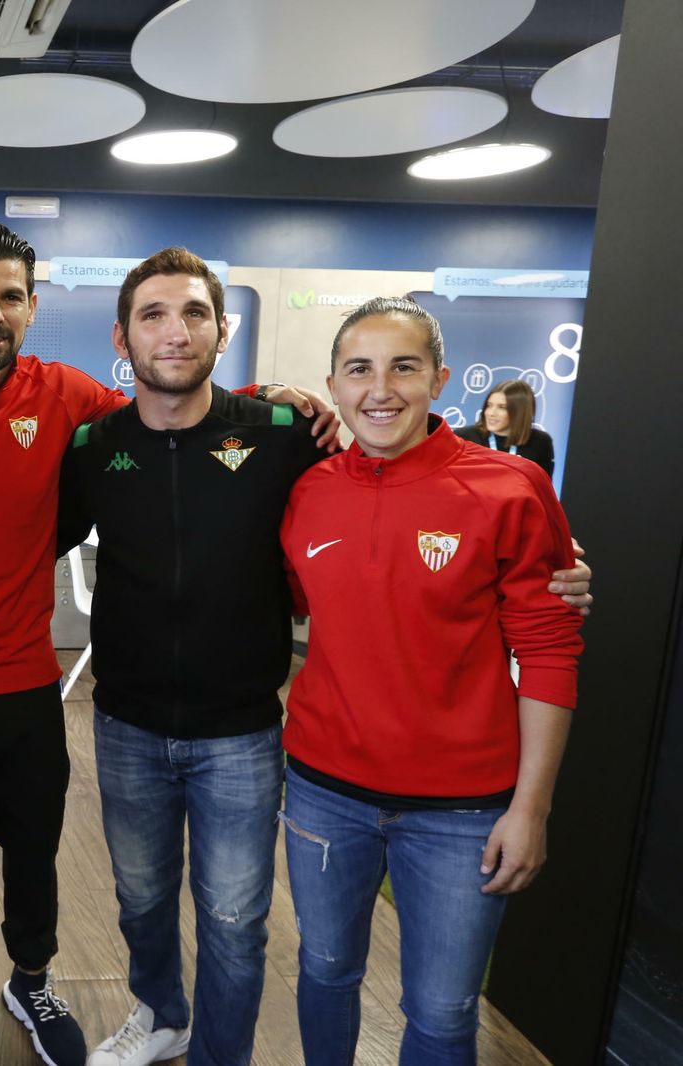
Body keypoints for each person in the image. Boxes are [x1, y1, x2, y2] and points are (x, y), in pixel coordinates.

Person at [59, 257, 594, 1066]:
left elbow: (524, 619)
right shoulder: (98, 447)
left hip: (253, 738)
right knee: (152, 907)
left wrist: (557, 566)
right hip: (155, 731)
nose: (176, 331)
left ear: (222, 328)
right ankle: (162, 1013)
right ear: (122, 336)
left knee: (246, 926)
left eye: (196, 313)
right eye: (155, 315)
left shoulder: (284, 440)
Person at [0, 225, 346, 1066]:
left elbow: (177, 409)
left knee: (41, 853)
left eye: (9, 297)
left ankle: (33, 979)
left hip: (36, 680)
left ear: (31, 308)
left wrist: (280, 398)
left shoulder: (70, 400)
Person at [279, 297, 583, 1064]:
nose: (381, 388)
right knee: (322, 971)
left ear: (439, 378)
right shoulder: (307, 491)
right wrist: (266, 398)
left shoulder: (511, 488)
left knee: (444, 1013)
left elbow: (548, 650)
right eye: (360, 369)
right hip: (323, 790)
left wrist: (531, 809)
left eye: (403, 367)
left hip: (462, 812)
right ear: (334, 385)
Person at [455, 377, 555, 476]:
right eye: (489, 405)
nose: (491, 413)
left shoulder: (540, 441)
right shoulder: (464, 437)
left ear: (520, 412)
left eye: (502, 407)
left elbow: (542, 487)